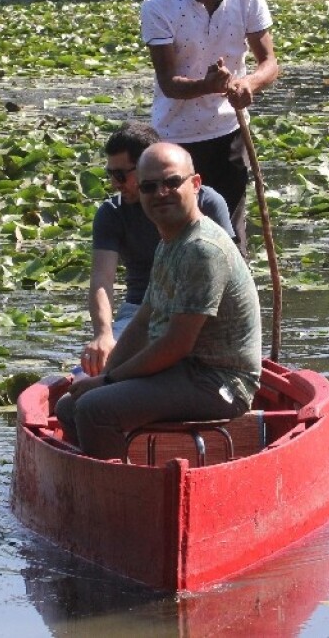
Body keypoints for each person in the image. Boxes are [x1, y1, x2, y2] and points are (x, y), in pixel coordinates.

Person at [57, 143, 262, 460]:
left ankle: (125, 495)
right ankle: (113, 473)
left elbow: (176, 344)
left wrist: (108, 381)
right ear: (138, 191)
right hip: (186, 372)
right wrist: (105, 375)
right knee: (68, 406)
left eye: (172, 182)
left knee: (93, 409)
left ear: (195, 184)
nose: (161, 193)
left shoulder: (202, 248)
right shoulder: (169, 240)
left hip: (220, 383)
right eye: (149, 187)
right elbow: (143, 321)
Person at [139, 0, 281, 252]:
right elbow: (170, 84)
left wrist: (248, 84)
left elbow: (269, 63)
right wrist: (209, 85)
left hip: (229, 132)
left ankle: (237, 305)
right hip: (177, 139)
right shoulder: (158, 6)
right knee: (180, 238)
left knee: (232, 238)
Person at [82, 121, 235, 377]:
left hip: (199, 310)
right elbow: (102, 280)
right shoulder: (113, 213)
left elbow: (229, 271)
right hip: (138, 312)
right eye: (110, 174)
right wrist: (103, 334)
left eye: (121, 175)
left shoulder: (206, 203)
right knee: (87, 378)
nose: (114, 183)